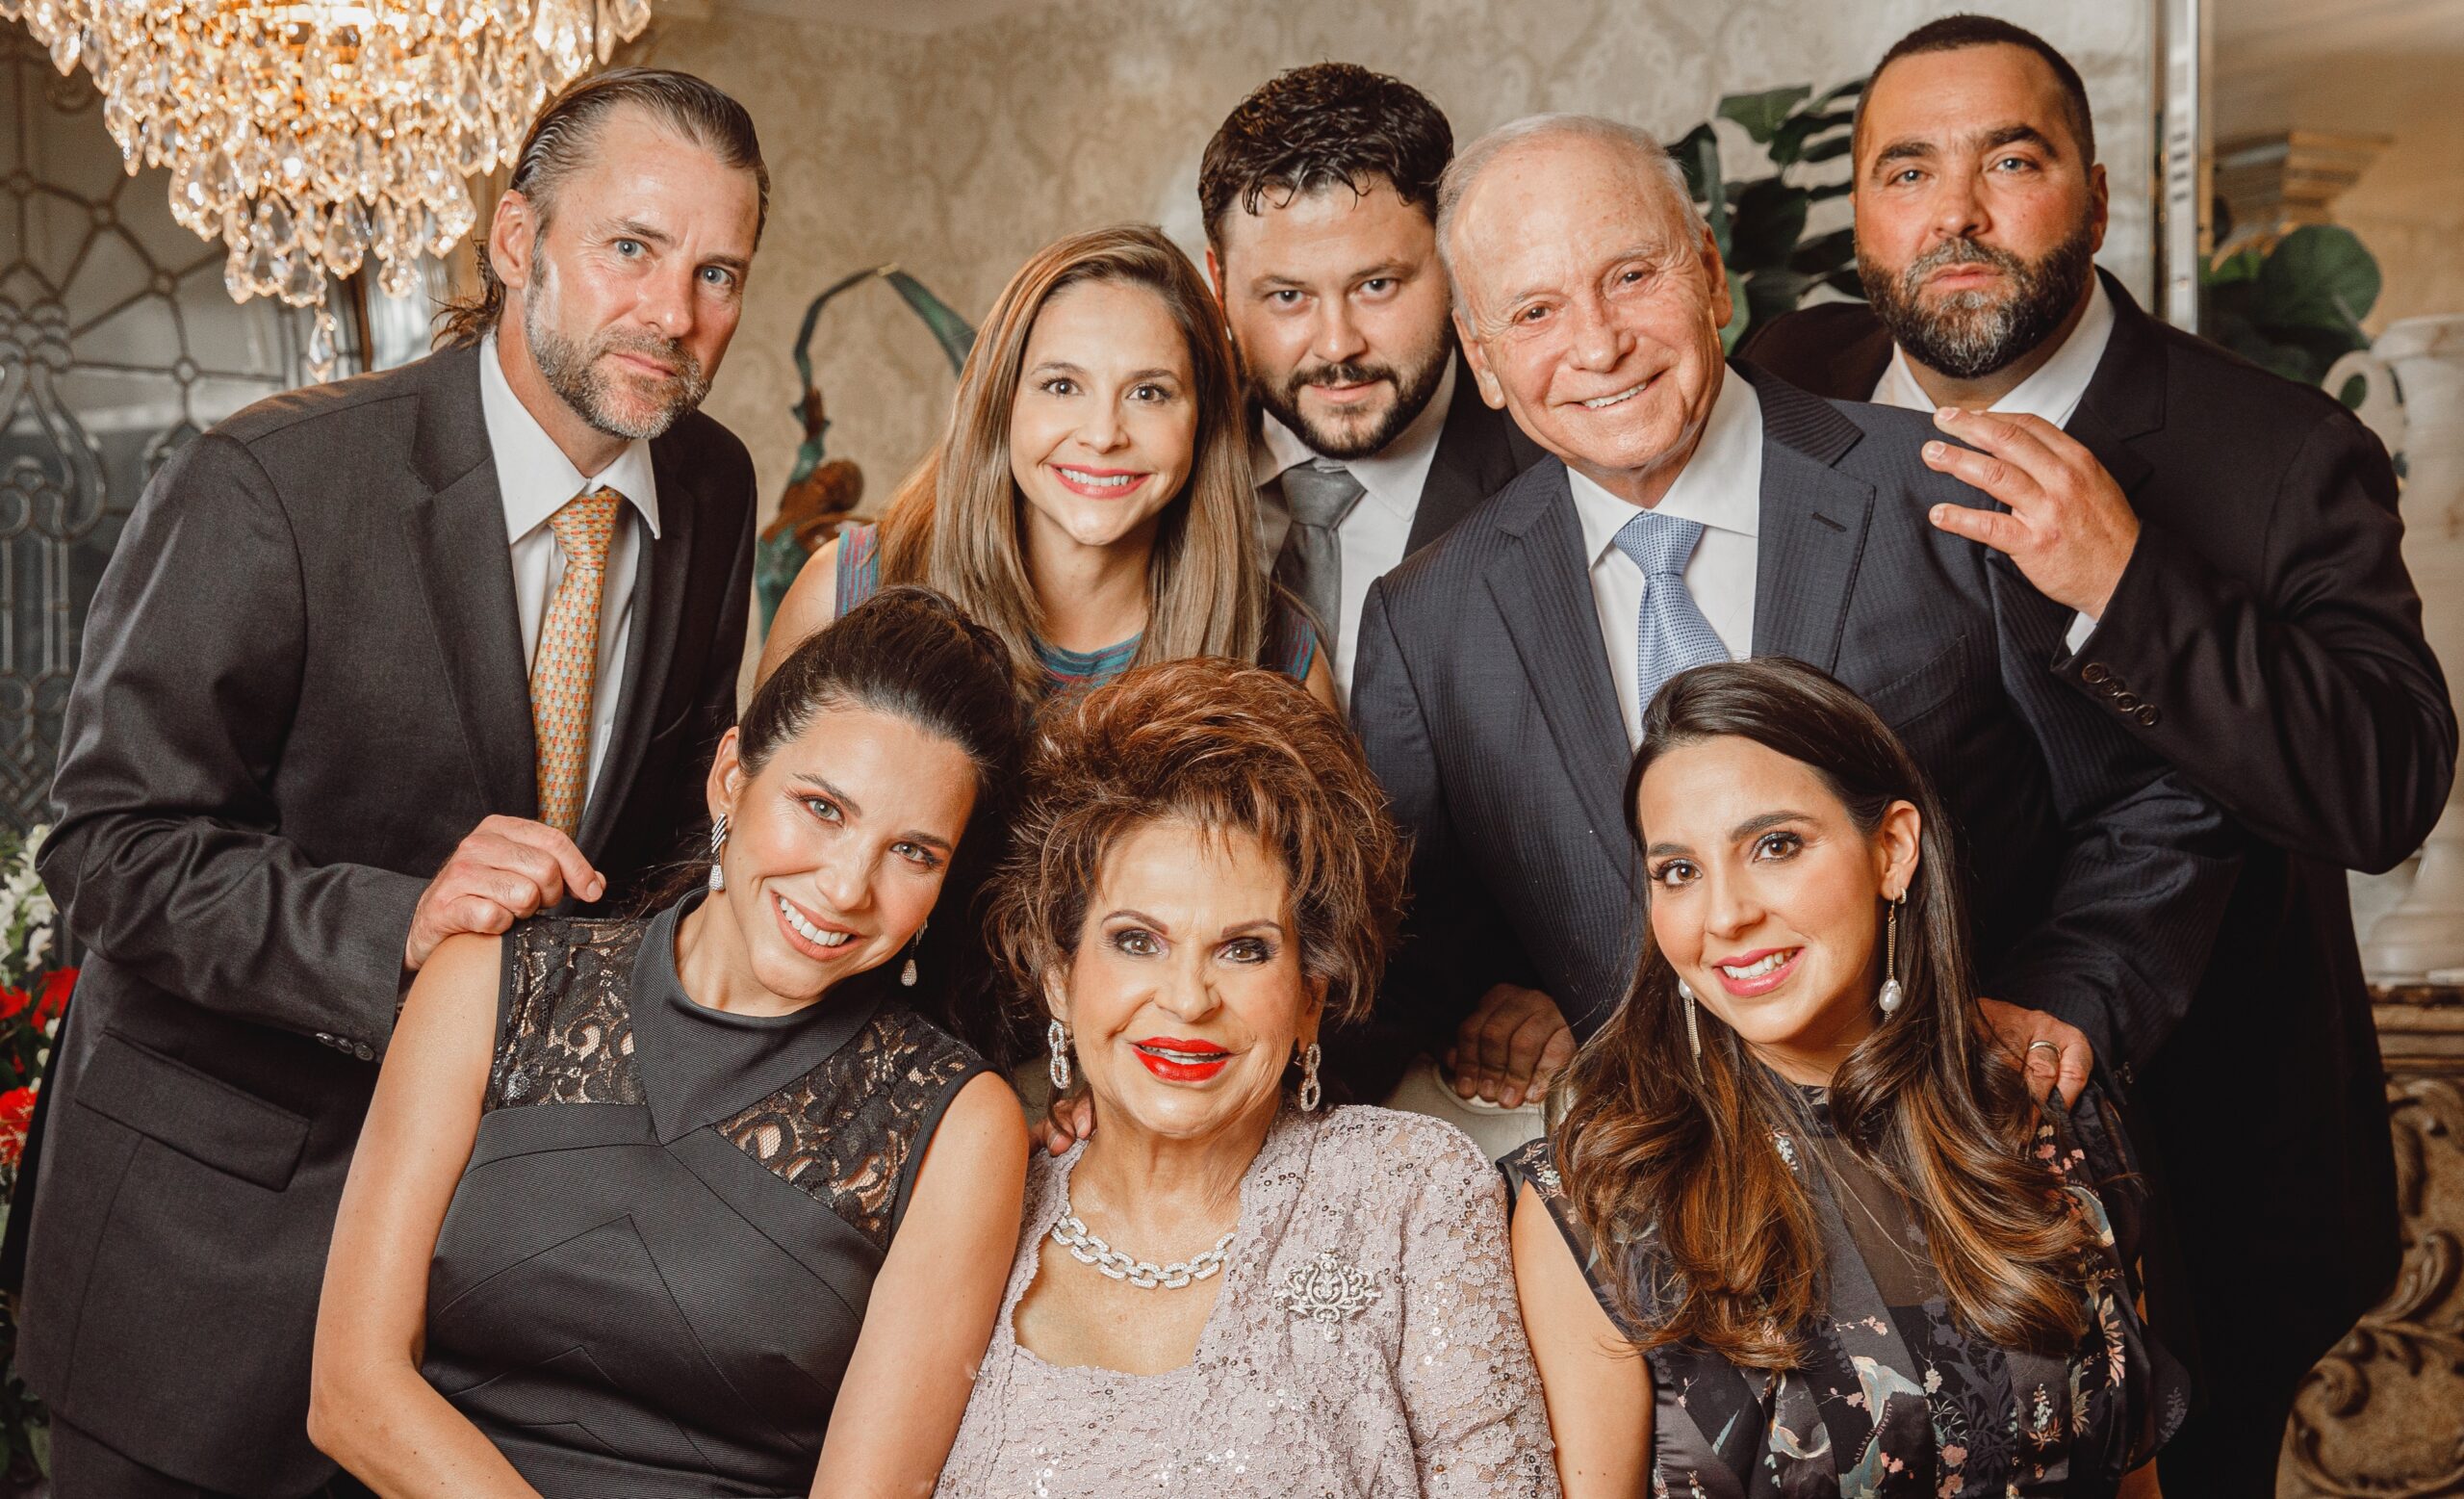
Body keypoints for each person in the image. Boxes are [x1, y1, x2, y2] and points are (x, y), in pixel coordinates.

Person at [20, 68, 766, 1497]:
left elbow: (668, 833)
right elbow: (107, 849)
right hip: (208, 1261)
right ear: (516, 240)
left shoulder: (713, 486)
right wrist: (398, 925)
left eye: (716, 272)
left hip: (495, 1285)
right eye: (631, 247)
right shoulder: (272, 481)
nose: (672, 313)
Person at [1737, 16, 2457, 1484]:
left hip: (2200, 1186)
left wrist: (2128, 580)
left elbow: (2385, 785)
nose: (1955, 213)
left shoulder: (2277, 452)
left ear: (2096, 193)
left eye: (2010, 162)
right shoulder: (1784, 376)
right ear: (1861, 213)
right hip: (1833, 1187)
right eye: (1907, 172)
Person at [1351, 114, 2239, 1116]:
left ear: (1710, 276)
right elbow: (1416, 949)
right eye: (1534, 312)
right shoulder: (1428, 622)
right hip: (1656, 1184)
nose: (1597, 345)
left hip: (1977, 1139)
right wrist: (1506, 996)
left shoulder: (1955, 497)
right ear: (1481, 359)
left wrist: (2068, 1002)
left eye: (1632, 276)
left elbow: (2154, 796)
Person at [311, 587, 1030, 1496]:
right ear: (732, 777)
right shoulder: (490, 981)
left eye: (914, 852)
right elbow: (351, 1391)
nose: (849, 886)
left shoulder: (960, 1126)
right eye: (821, 807)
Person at [1510, 658, 2183, 1495]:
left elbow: (2133, 1482)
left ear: (1893, 849)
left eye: (1775, 845)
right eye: (1678, 870)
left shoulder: (2045, 1117)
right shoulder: (1597, 1202)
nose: (1726, 915)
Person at [934, 658, 1558, 1497]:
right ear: (1058, 974)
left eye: (1244, 949)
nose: (1188, 998)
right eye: (1136, 940)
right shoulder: (975, 1201)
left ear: (1310, 998)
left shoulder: (1413, 1191)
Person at [1203, 62, 1547, 1118]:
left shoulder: (1560, 473)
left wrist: (1577, 985)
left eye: (1379, 286)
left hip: (1466, 1064)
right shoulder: (1152, 468)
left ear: (1453, 263)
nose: (1337, 344)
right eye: (1286, 297)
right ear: (1218, 285)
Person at [763, 225, 1333, 709]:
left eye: (1149, 393)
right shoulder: (843, 592)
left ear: (1203, 420)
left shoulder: (1277, 656)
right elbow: (749, 803)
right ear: (1002, 401)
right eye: (1062, 386)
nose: (1103, 435)